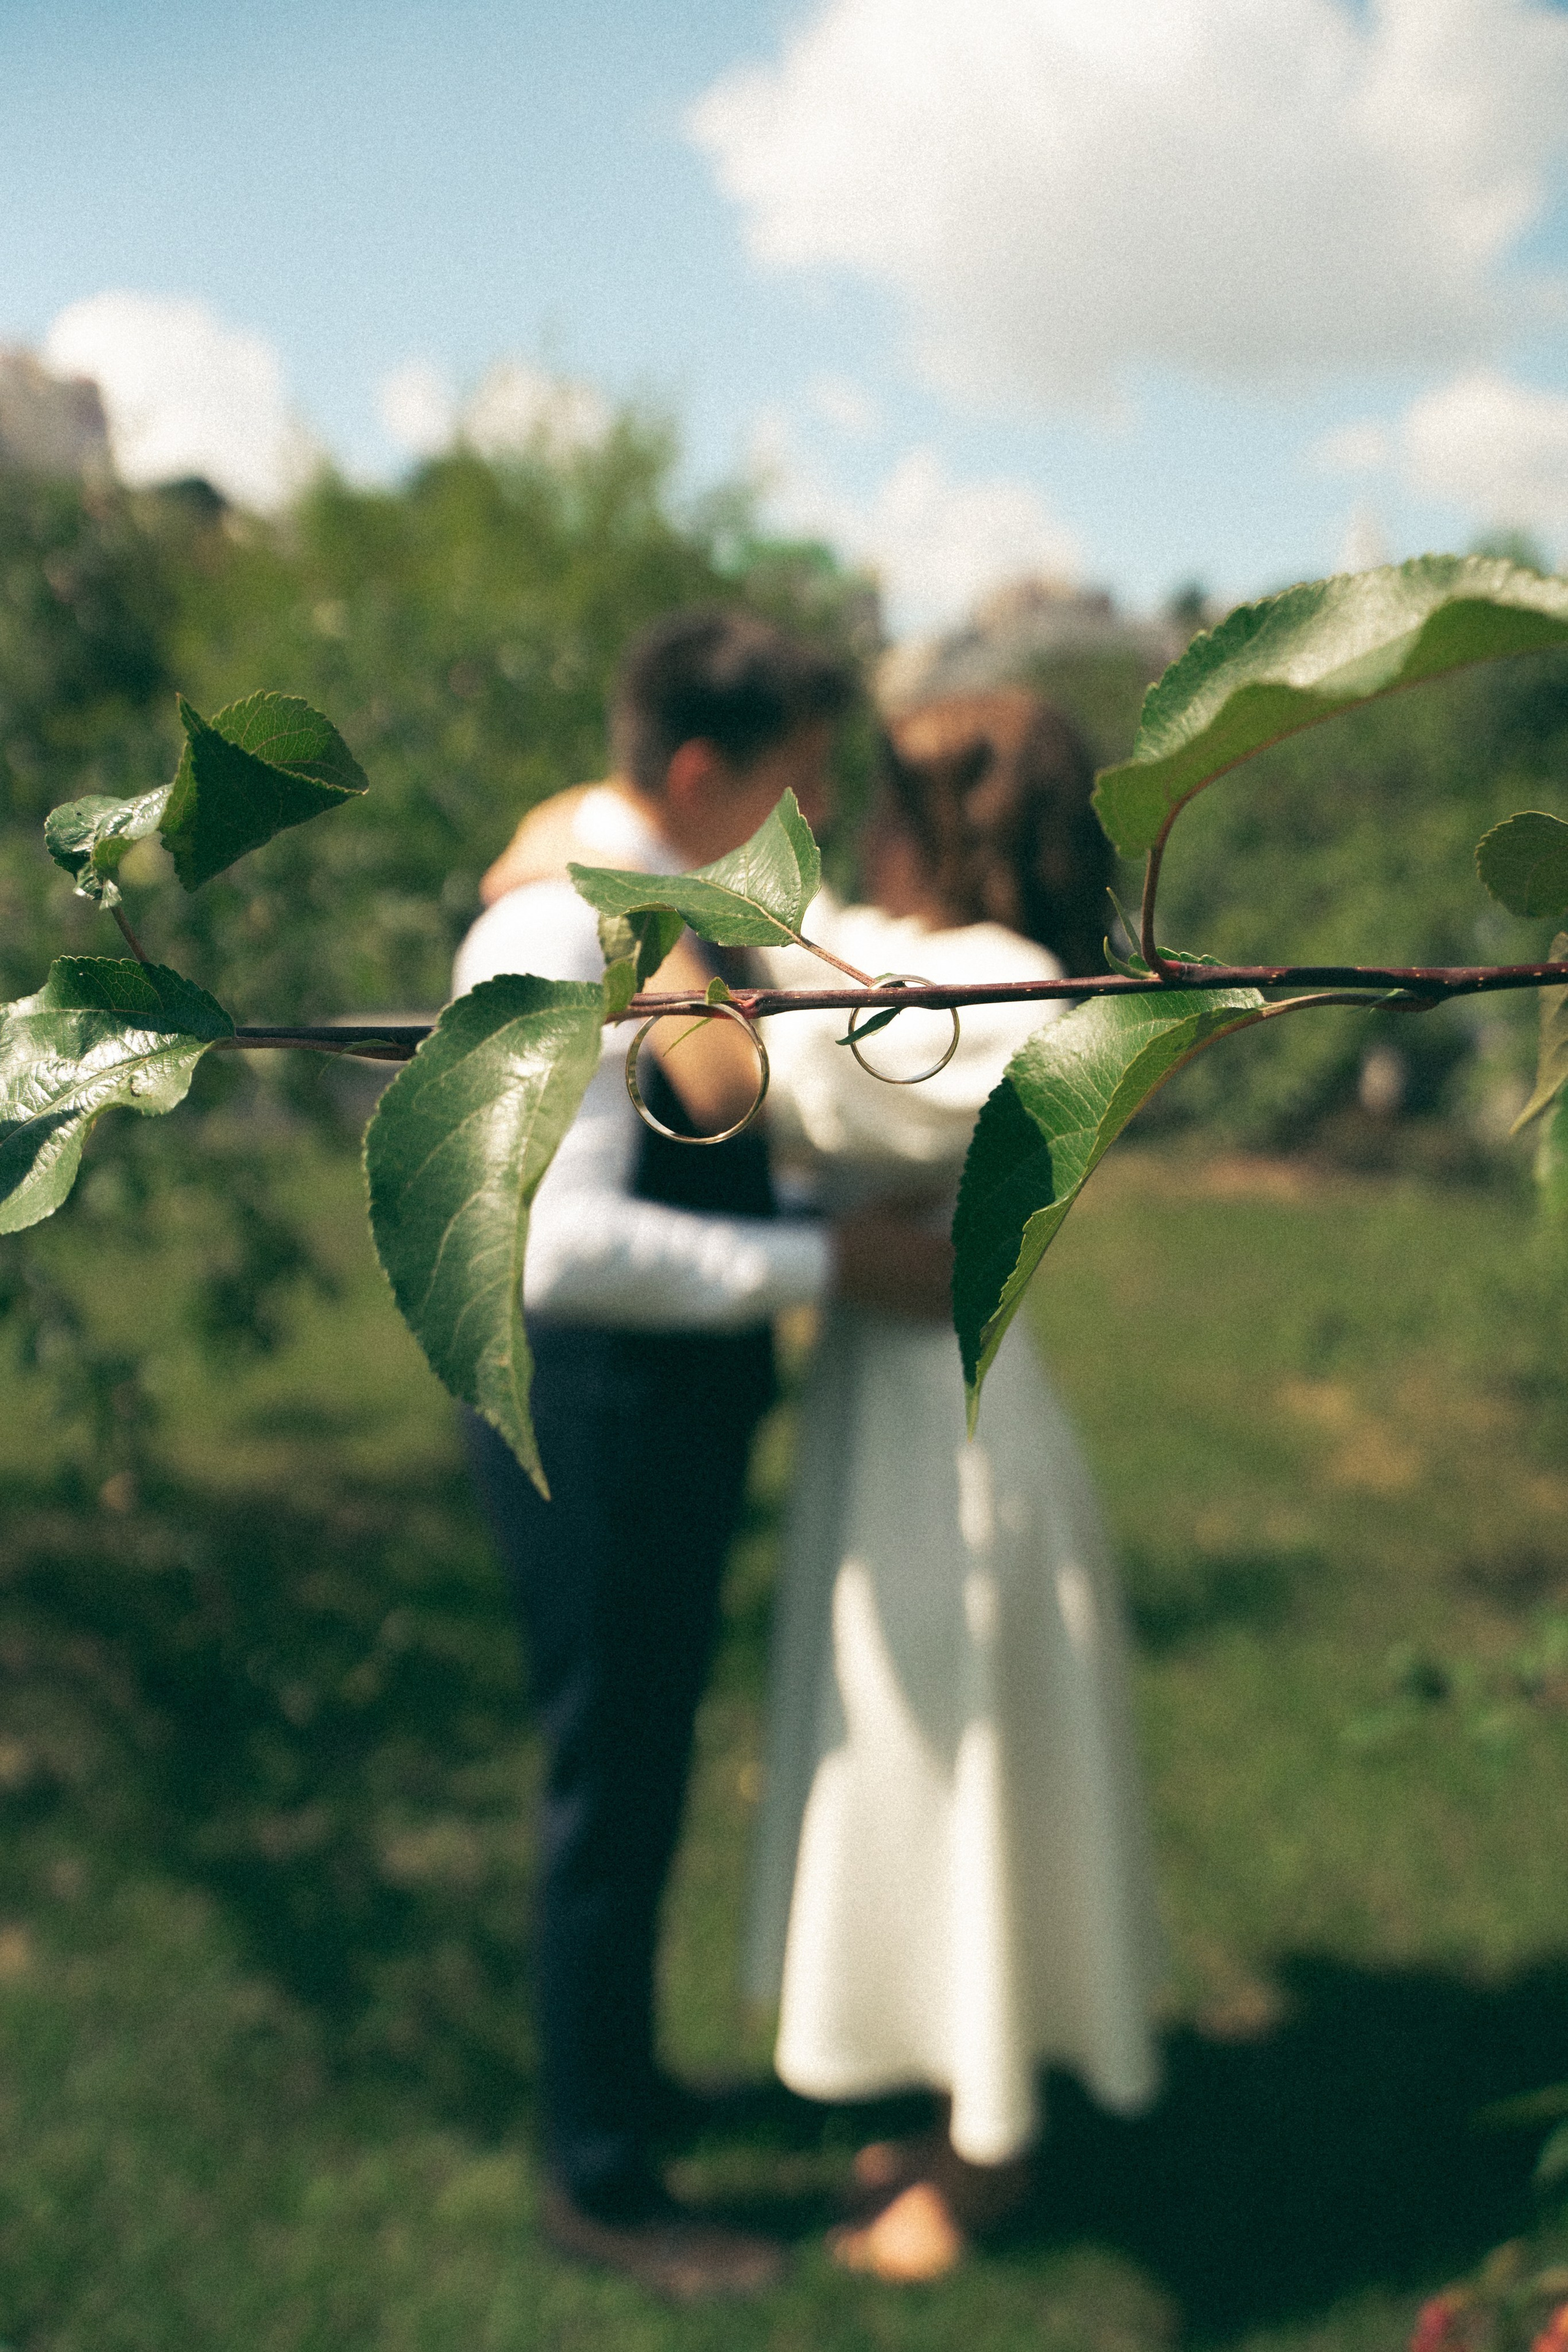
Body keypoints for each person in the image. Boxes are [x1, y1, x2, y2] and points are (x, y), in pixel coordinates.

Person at [450, 607, 951, 2302]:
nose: (800, 838)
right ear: (695, 773)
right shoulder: (557, 931)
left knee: (646, 1769)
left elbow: (690, 1157)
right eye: (791, 798)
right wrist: (834, 1267)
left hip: (654, 1416)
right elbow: (555, 1251)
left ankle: (626, 2090)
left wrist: (810, 1207)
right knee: (610, 1789)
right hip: (591, 1419)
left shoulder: (659, 917)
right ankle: (602, 2181)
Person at [744, 688, 1167, 2282]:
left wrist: (668, 890)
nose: (860, 831)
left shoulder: (1016, 989)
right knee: (916, 1765)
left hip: (954, 1433)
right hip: (899, 1413)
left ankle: (990, 2146)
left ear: (963, 826)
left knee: (957, 1762)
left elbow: (834, 1066)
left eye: (892, 800)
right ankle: (953, 2095)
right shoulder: (934, 963)